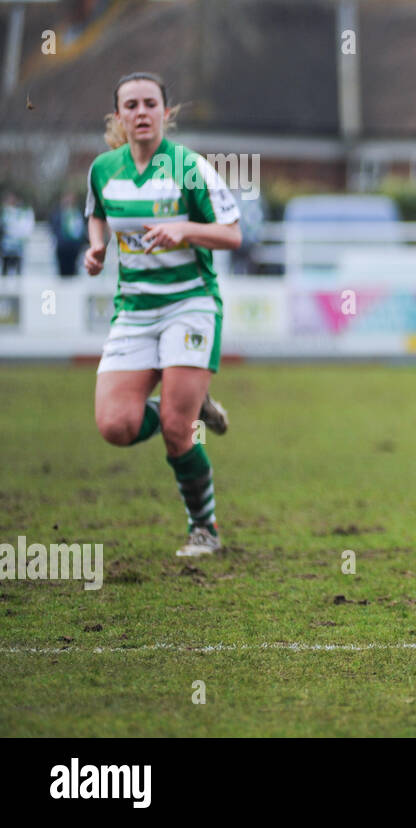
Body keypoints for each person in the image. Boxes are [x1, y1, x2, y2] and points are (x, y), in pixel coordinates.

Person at [84, 72, 241, 557]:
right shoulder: (104, 169)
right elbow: (97, 213)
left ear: (166, 113)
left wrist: (185, 230)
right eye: (130, 105)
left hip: (190, 303)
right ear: (119, 117)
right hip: (134, 311)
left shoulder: (189, 168)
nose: (141, 112)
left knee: (178, 432)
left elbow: (233, 234)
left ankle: (204, 530)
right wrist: (96, 248)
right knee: (115, 426)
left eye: (150, 103)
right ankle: (191, 402)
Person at [51, 192, 87, 277]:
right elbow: (53, 227)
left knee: (73, 271)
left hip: (74, 247)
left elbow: (82, 229)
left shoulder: (77, 213)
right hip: (62, 246)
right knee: (62, 272)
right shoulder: (58, 213)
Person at [1, 191, 35, 275]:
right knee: (5, 266)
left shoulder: (21, 213)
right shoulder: (4, 212)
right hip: (6, 245)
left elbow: (25, 227)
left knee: (18, 267)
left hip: (17, 245)